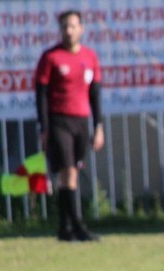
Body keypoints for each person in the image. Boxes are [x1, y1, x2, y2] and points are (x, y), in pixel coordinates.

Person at [35, 9, 104, 242]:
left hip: (81, 121)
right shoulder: (51, 57)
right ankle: (77, 226)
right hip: (59, 120)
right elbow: (41, 94)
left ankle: (64, 228)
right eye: (65, 26)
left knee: (71, 172)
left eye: (73, 26)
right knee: (68, 171)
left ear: (81, 29)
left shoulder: (90, 57)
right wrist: (44, 127)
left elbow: (95, 94)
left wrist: (98, 126)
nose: (69, 31)